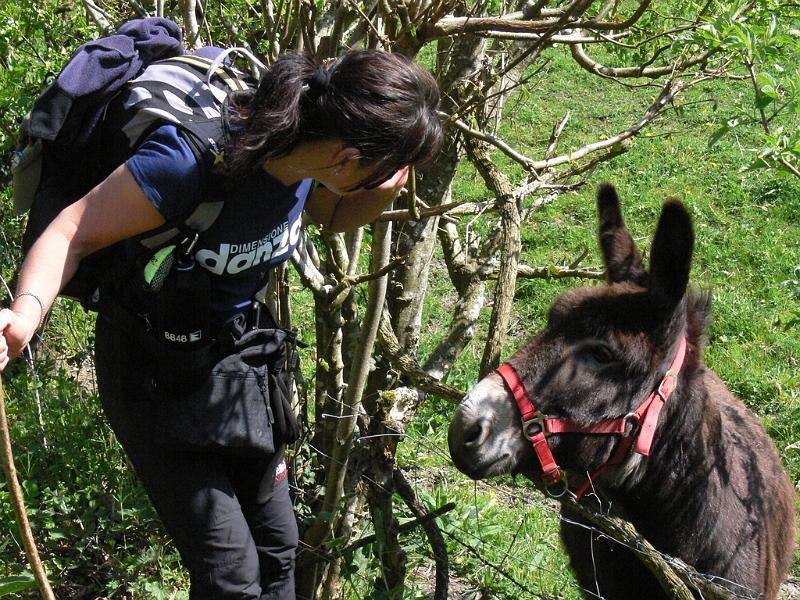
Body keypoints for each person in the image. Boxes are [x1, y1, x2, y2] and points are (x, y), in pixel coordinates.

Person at [0, 48, 443, 599]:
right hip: (150, 368)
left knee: (279, 550)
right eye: (377, 170)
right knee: (229, 574)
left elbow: (331, 215)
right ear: (346, 157)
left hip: (237, 364)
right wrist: (25, 314)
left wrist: (383, 188)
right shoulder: (187, 162)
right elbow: (74, 231)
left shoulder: (308, 160)